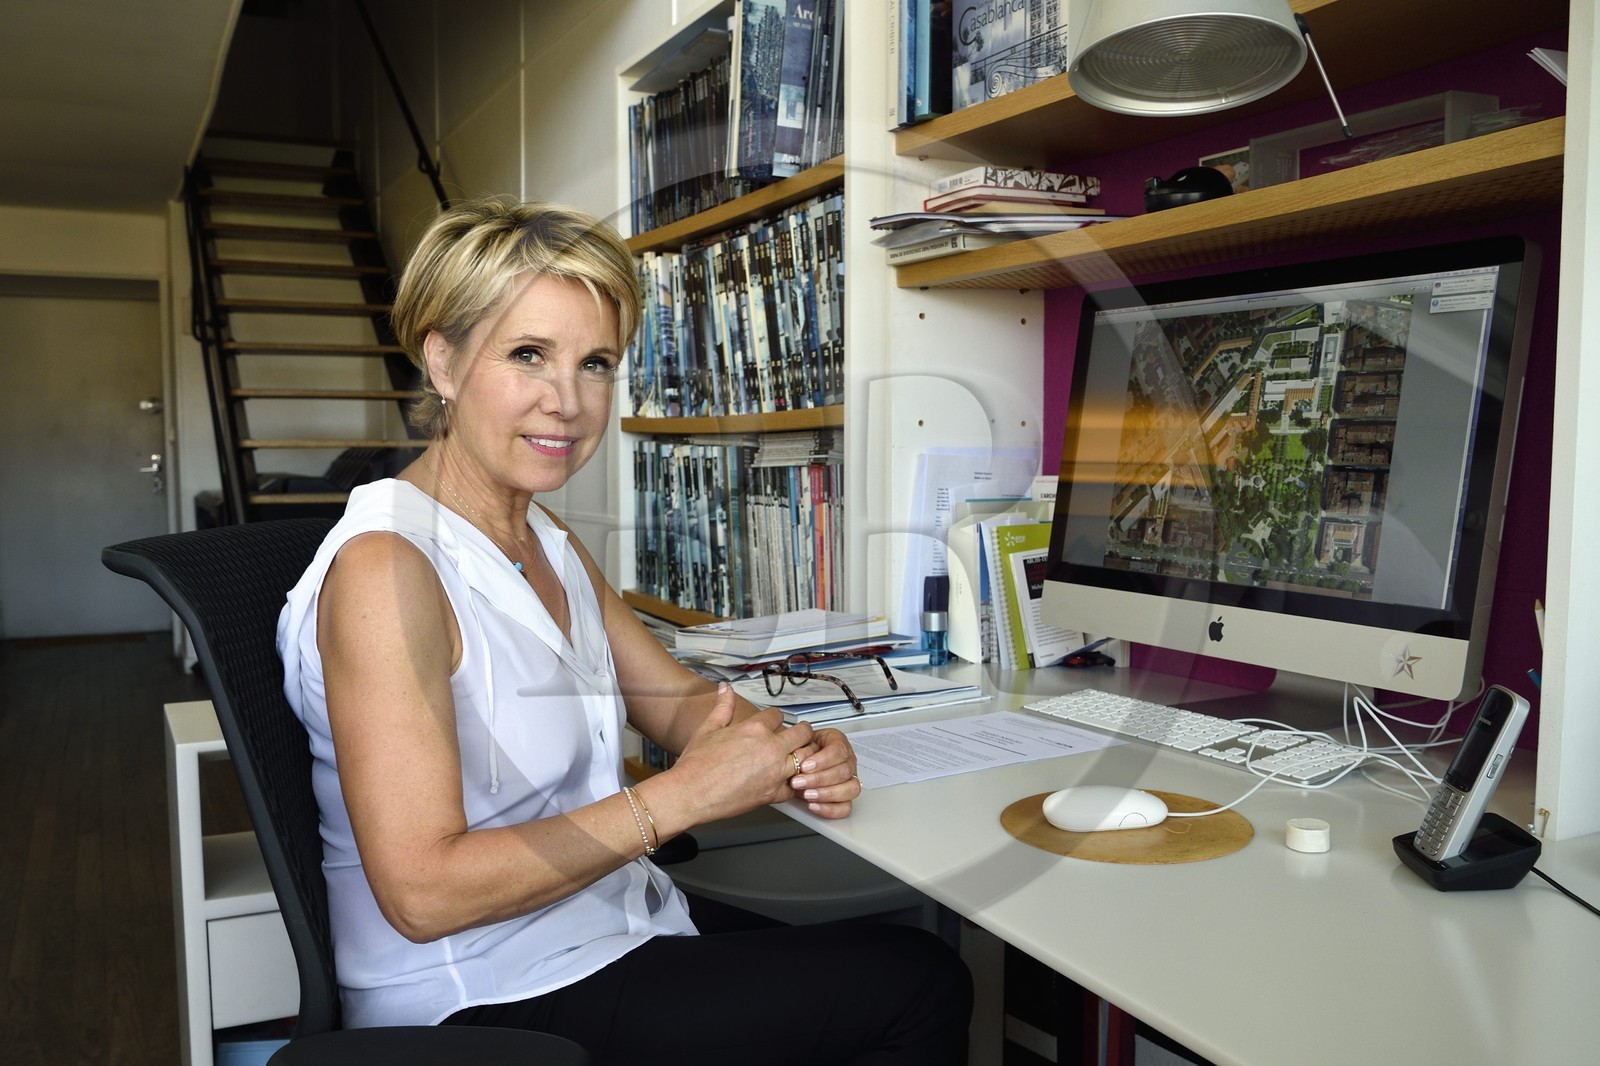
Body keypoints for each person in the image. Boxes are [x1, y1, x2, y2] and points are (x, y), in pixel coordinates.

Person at [276, 197, 972, 1064]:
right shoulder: (388, 570)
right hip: (481, 994)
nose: (567, 402)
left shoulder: (544, 538)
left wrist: (788, 747)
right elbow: (424, 893)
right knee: (918, 981)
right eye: (527, 354)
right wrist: (684, 798)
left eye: (595, 363)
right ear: (443, 361)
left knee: (887, 951)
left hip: (605, 923)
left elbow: (677, 705)